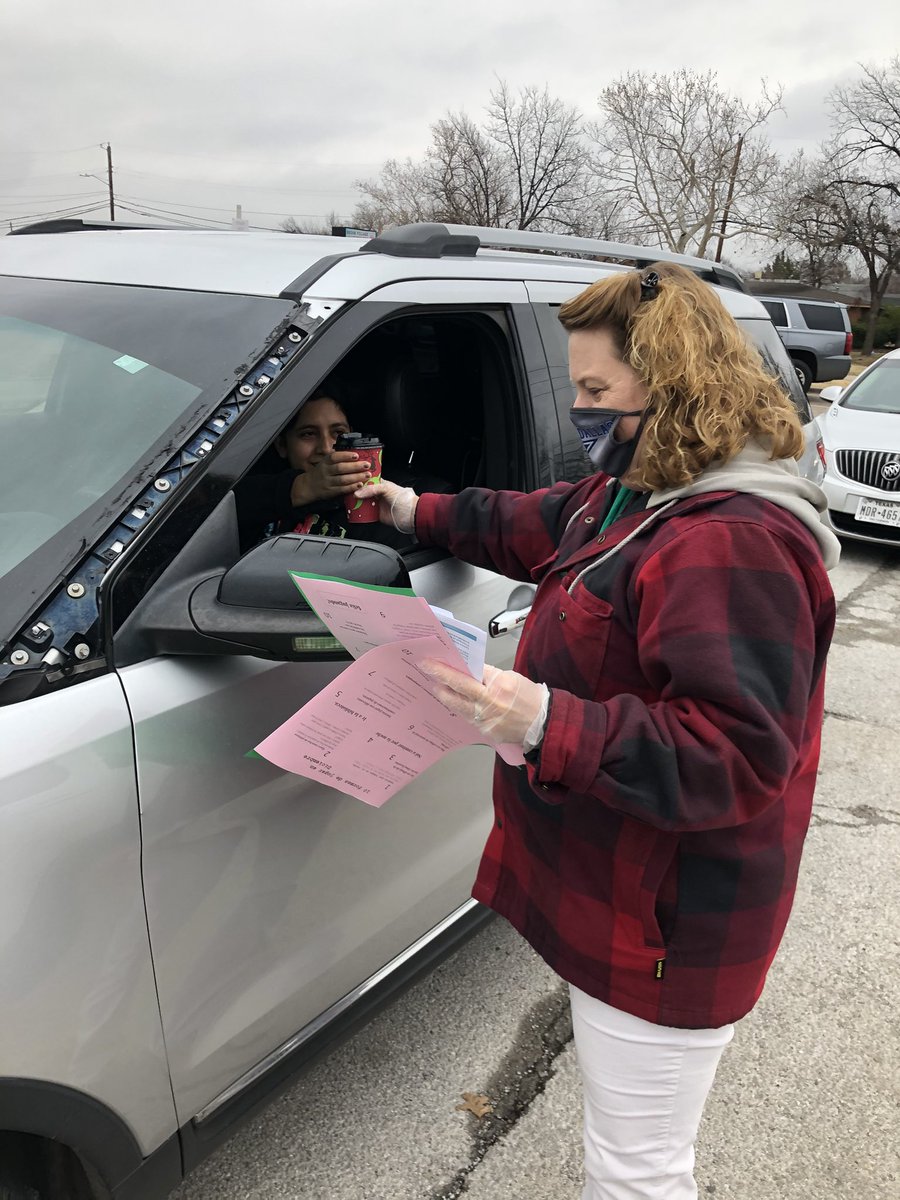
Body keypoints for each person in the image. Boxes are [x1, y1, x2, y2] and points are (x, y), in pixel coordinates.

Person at [356, 262, 840, 1200]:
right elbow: (540, 523)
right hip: (620, 888)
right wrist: (418, 509)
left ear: (673, 388)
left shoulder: (729, 540)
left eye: (594, 390)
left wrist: (545, 719)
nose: (578, 409)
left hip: (672, 919)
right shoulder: (637, 492)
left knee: (636, 1172)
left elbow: (736, 757)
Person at [235, 385, 390, 551]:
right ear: (282, 445)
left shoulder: (380, 504)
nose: (326, 448)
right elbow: (227, 505)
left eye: (338, 433)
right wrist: (303, 487)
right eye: (308, 434)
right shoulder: (257, 495)